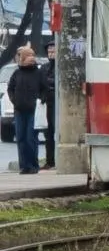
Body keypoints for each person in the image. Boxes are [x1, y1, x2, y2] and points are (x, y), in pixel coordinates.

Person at [6, 46, 43, 175]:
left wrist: (40, 100)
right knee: (21, 138)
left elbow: (45, 89)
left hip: (33, 111)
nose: (30, 59)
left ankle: (33, 165)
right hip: (19, 110)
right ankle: (24, 166)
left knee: (30, 138)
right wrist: (14, 100)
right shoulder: (17, 73)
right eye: (27, 56)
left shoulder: (38, 73)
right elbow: (10, 88)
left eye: (32, 56)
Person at [40, 41, 55, 169]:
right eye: (49, 52)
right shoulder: (44, 67)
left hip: (56, 103)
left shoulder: (60, 66)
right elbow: (40, 82)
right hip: (46, 103)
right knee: (48, 133)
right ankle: (50, 160)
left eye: (53, 52)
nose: (51, 54)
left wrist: (48, 83)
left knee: (56, 131)